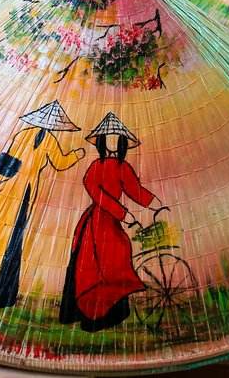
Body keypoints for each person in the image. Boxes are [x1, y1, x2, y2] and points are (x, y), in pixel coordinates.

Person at [0, 100, 85, 309]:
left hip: (13, 190)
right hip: (17, 192)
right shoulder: (42, 139)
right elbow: (59, 162)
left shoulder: (29, 135)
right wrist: (77, 154)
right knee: (2, 236)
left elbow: (15, 159)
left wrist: (74, 155)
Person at [60, 112, 165, 332]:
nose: (113, 143)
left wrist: (157, 205)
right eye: (109, 139)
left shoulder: (122, 167)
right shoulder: (95, 167)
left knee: (120, 253)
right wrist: (124, 214)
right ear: (101, 141)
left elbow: (135, 190)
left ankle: (115, 311)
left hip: (113, 222)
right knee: (94, 263)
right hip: (96, 223)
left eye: (118, 139)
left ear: (123, 143)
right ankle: (91, 314)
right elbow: (97, 195)